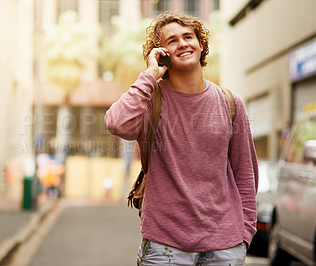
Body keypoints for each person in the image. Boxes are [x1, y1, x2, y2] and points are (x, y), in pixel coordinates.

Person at [105, 12, 258, 266]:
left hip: (225, 246)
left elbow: (245, 173)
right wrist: (150, 75)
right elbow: (116, 123)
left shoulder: (230, 103)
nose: (183, 44)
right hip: (164, 246)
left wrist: (245, 234)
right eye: (172, 40)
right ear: (161, 52)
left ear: (201, 45)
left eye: (188, 36)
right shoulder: (150, 101)